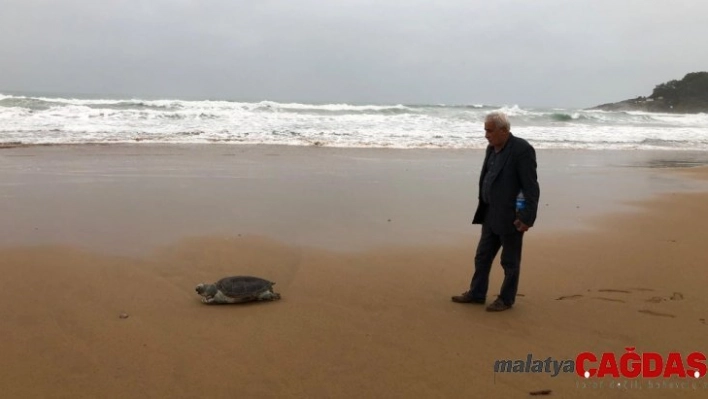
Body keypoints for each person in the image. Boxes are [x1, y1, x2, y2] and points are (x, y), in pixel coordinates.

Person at [452, 111, 539, 312]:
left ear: (504, 130)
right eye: (485, 130)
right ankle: (477, 293)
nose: (486, 135)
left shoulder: (522, 150)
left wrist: (527, 217)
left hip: (512, 217)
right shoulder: (491, 149)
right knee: (482, 256)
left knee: (509, 261)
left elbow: (531, 186)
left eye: (490, 131)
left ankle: (506, 299)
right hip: (489, 213)